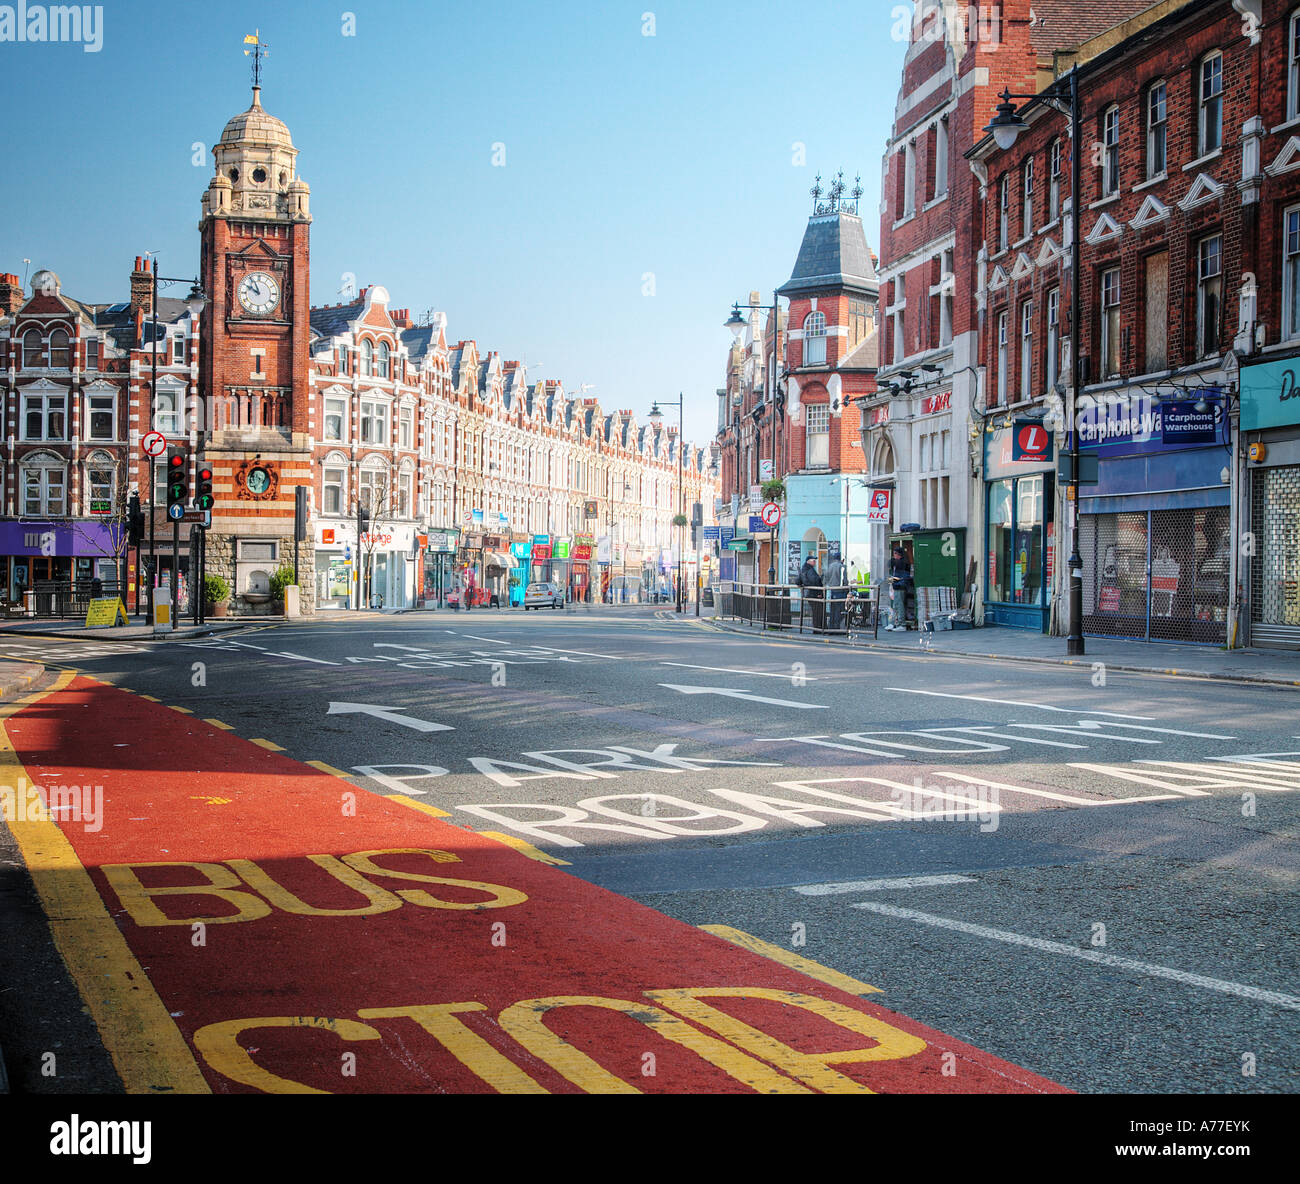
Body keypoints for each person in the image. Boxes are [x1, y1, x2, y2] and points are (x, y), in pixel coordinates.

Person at [887, 545, 912, 630]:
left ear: (899, 554)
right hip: (897, 586)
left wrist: (892, 583)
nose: (894, 555)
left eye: (895, 553)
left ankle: (901, 624)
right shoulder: (901, 563)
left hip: (900, 586)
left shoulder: (902, 563)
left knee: (899, 605)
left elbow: (891, 565)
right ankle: (895, 622)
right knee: (896, 605)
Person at [799, 556, 824, 630]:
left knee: (815, 611)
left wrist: (803, 586)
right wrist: (819, 592)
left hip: (809, 593)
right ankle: (818, 628)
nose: (815, 562)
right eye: (814, 561)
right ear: (809, 561)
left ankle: (817, 628)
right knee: (818, 612)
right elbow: (815, 581)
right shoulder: (810, 570)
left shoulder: (803, 569)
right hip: (814, 593)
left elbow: (797, 580)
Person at [825, 552, 846, 631]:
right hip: (840, 591)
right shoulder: (842, 567)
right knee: (839, 610)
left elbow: (826, 577)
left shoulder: (830, 566)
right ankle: (837, 627)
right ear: (841, 559)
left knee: (832, 610)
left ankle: (831, 626)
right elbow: (844, 580)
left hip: (832, 590)